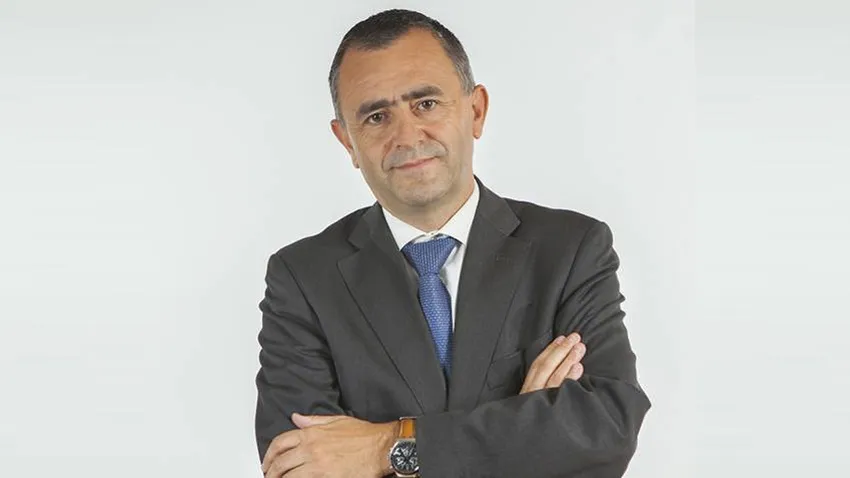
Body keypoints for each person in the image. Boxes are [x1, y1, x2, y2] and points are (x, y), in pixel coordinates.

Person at [254, 8, 650, 478]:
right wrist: (524, 431)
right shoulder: (303, 279)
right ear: (347, 142)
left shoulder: (571, 250)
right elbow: (298, 466)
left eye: (425, 104)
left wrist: (386, 446)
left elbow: (605, 429)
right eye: (377, 116)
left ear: (475, 111)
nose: (406, 136)